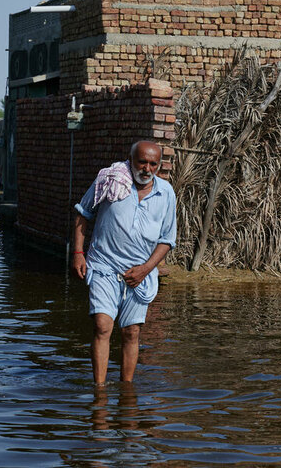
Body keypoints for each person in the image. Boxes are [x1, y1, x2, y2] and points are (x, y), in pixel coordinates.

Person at [71, 140, 176, 385]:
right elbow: (83, 213)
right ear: (131, 161)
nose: (147, 168)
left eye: (153, 164)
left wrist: (146, 269)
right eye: (142, 162)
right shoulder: (111, 180)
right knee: (102, 325)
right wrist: (78, 252)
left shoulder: (166, 192)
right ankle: (99, 390)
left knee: (131, 332)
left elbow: (167, 239)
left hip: (139, 273)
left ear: (159, 165)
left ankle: (126, 388)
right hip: (104, 267)